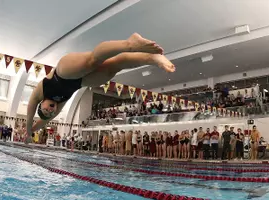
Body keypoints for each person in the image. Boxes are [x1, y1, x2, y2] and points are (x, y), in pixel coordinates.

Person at [25, 33, 175, 143]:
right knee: (113, 68)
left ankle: (129, 44)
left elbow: (31, 110)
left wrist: (27, 129)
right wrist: (31, 133)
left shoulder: (41, 91)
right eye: (49, 112)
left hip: (63, 71)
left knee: (92, 61)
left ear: (41, 103)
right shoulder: (59, 104)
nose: (49, 110)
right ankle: (151, 58)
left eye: (44, 109)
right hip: (81, 81)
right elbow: (44, 121)